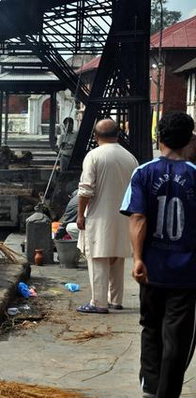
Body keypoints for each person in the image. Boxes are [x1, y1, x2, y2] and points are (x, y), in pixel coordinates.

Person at [120, 111, 196, 398]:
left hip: (151, 269)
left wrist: (138, 259)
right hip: (187, 273)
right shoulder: (195, 174)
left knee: (150, 327)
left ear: (158, 138)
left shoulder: (143, 172)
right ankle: (166, 393)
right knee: (178, 337)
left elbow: (137, 217)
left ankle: (150, 389)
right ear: (189, 140)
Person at [76, 119, 139, 314]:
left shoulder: (93, 156)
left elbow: (85, 190)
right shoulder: (131, 158)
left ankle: (98, 302)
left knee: (98, 258)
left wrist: (80, 215)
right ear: (118, 135)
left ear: (95, 137)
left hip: (99, 216)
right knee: (117, 258)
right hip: (124, 217)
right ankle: (115, 300)